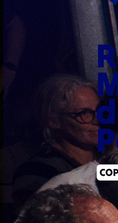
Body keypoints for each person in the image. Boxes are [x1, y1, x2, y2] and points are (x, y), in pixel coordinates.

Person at [9, 73, 97, 205]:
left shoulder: (108, 158)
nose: (99, 119)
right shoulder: (37, 171)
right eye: (84, 113)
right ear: (53, 120)